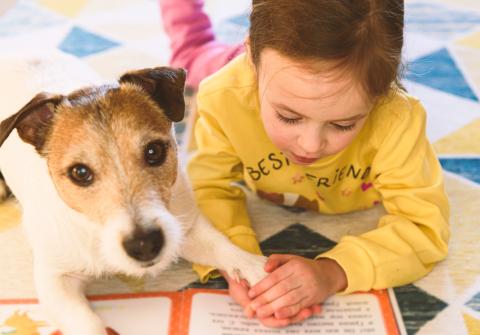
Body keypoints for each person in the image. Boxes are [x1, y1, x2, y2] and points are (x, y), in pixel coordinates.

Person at [160, 0, 450, 328]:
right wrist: (238, 264)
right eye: (288, 116)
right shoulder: (224, 96)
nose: (311, 145)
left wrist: (332, 272)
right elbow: (203, 191)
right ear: (252, 58)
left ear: (380, 95)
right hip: (232, 64)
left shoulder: (399, 119)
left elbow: (425, 227)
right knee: (192, 59)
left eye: (343, 124)